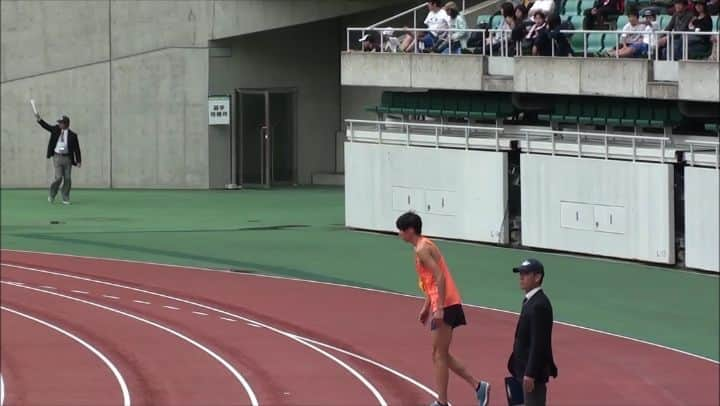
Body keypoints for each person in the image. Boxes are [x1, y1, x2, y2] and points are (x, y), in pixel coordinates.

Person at [396, 211, 490, 406]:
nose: (399, 234)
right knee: (441, 354)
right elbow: (430, 282)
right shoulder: (424, 246)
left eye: (401, 230)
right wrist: (426, 306)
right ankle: (478, 386)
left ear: (410, 230)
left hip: (446, 304)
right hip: (445, 303)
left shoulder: (422, 249)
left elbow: (440, 277)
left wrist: (438, 308)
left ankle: (442, 401)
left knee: (439, 354)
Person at [507, 259, 558, 406]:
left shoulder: (539, 305)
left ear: (537, 277)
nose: (521, 277)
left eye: (525, 274)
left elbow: (539, 343)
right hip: (522, 370)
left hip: (531, 375)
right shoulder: (531, 300)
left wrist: (530, 373)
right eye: (520, 273)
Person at [35, 113, 82, 205]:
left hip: (68, 158)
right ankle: (52, 194)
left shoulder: (73, 135)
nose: (59, 124)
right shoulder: (55, 129)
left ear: (66, 124)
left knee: (67, 178)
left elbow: (77, 149)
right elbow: (46, 126)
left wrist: (79, 160)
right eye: (59, 122)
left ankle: (65, 196)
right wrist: (39, 119)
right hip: (57, 157)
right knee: (59, 177)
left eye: (61, 123)